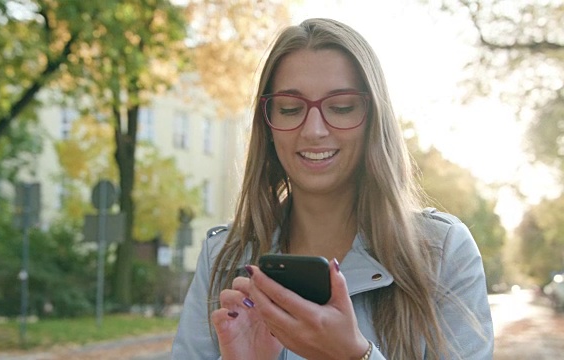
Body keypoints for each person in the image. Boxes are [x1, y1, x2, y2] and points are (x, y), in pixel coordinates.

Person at [171, 17, 494, 359]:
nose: (313, 130)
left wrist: (356, 356)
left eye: (340, 107)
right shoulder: (224, 256)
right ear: (268, 124)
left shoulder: (442, 252)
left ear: (373, 119)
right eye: (290, 108)